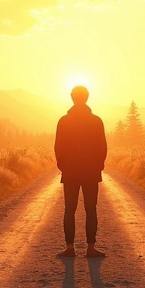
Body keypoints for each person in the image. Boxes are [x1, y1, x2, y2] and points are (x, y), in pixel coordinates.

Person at [54, 85, 108, 258]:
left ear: (72, 97)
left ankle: (69, 248)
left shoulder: (64, 121)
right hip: (91, 171)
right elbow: (103, 147)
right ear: (87, 97)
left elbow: (58, 147)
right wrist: (99, 165)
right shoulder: (96, 121)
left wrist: (63, 166)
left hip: (70, 171)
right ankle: (90, 249)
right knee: (91, 209)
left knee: (69, 209)